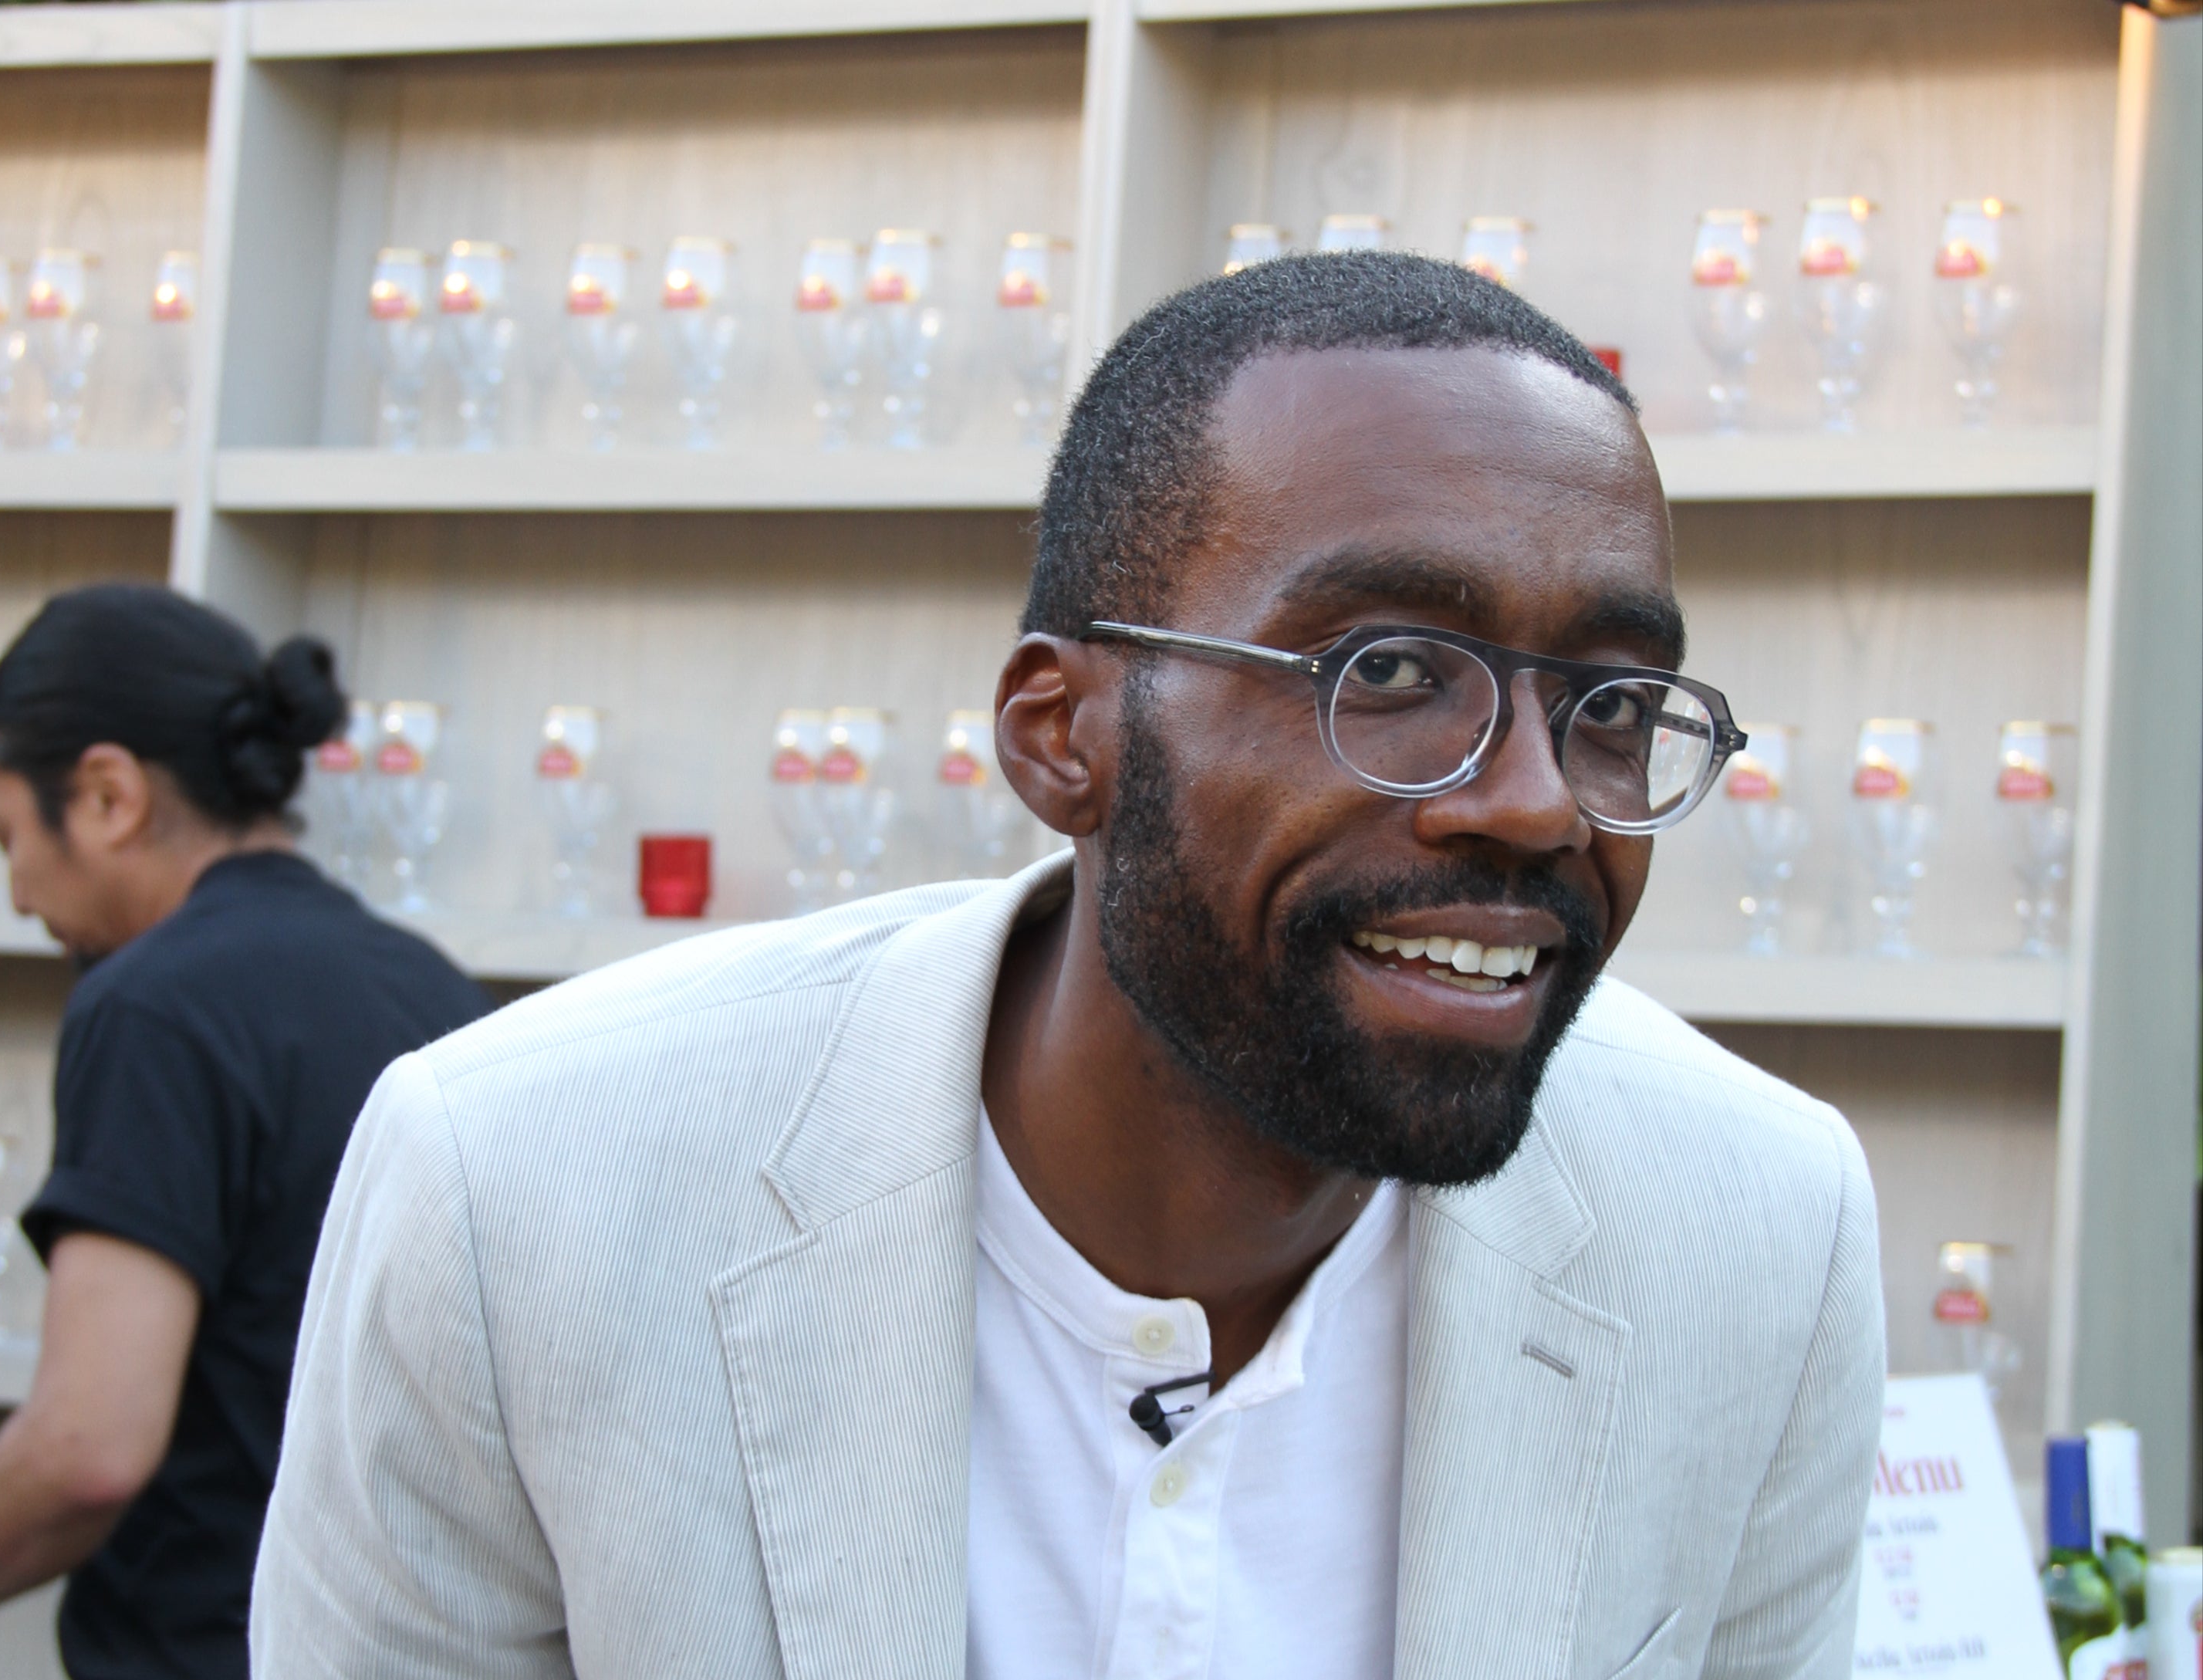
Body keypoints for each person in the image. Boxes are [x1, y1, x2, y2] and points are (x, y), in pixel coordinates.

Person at [254, 252, 1885, 1678]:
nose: (1534, 798)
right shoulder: (520, 1187)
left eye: (1608, 704)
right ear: (1062, 737)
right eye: (1388, 671)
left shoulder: (1755, 1229)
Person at [0, 585, 490, 1678]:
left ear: (107, 795)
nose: (15, 893)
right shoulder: (435, 990)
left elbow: (89, 1443)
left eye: (7, 833)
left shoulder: (150, 1005)